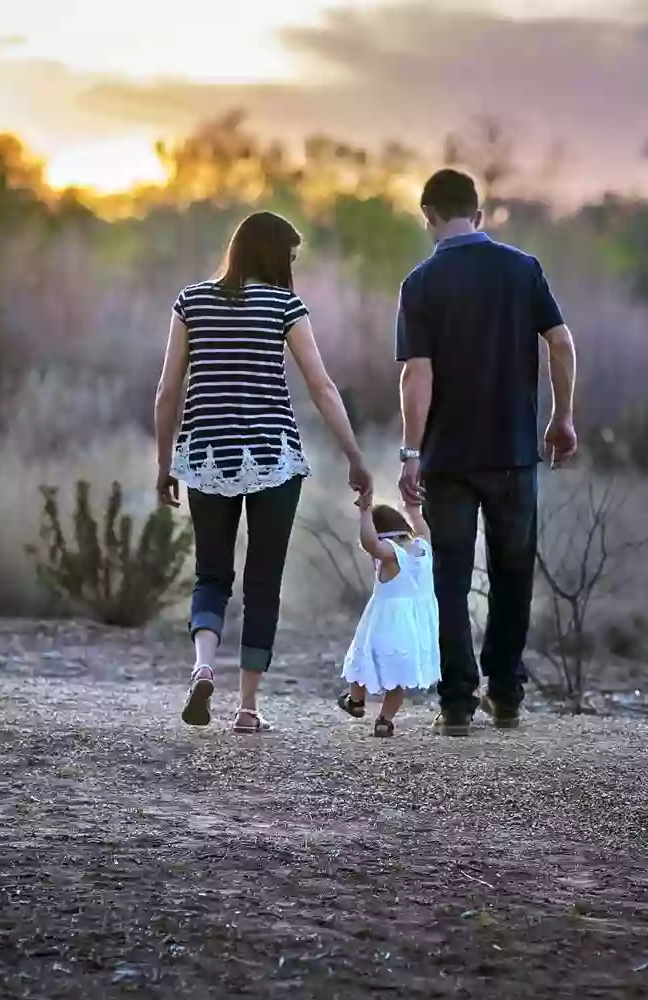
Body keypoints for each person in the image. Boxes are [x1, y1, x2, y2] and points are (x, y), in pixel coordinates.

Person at [154, 211, 372, 734]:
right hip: (273, 457)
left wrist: (165, 464)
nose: (293, 269)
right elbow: (322, 389)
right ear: (275, 256)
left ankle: (203, 666)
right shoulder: (284, 306)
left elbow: (167, 392)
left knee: (211, 574)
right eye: (291, 258)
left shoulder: (192, 302)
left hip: (206, 457)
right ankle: (247, 708)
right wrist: (355, 456)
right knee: (263, 580)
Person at [394, 168, 579, 737]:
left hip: (449, 459)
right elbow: (561, 342)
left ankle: (455, 704)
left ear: (428, 217)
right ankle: (505, 694)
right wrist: (562, 416)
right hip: (514, 453)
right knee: (513, 572)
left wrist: (410, 452)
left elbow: (415, 376)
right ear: (478, 214)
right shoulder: (522, 269)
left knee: (449, 577)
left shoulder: (421, 282)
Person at [336, 500, 441, 738]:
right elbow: (423, 528)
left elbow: (370, 544)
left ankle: (356, 700)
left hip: (385, 623)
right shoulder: (422, 547)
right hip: (414, 628)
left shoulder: (392, 554)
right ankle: (385, 720)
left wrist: (364, 512)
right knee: (397, 679)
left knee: (361, 660)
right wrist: (414, 509)